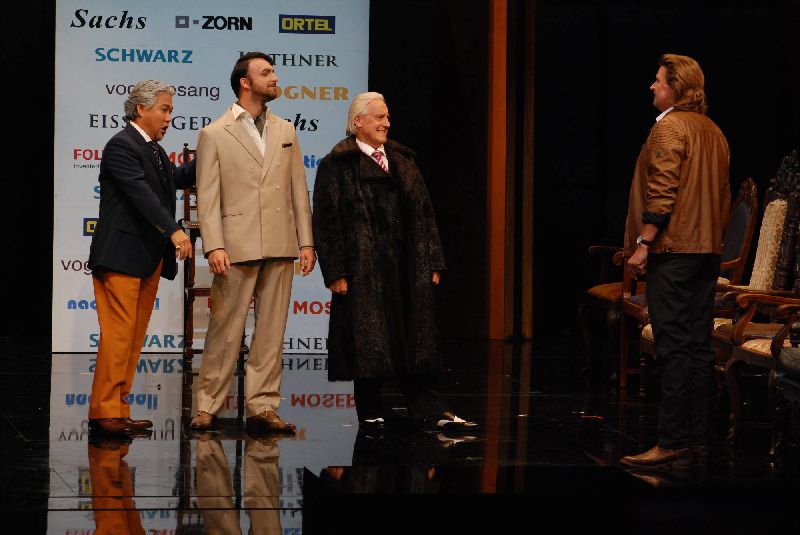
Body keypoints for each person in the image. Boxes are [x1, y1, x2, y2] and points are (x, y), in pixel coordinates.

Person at [312, 92, 477, 431]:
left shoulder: (403, 160)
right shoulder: (337, 164)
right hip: (363, 267)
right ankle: (371, 411)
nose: (387, 123)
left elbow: (425, 213)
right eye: (379, 117)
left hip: (407, 264)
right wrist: (336, 271)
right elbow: (327, 222)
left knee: (415, 339)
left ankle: (430, 409)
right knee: (367, 340)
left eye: (387, 117)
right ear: (358, 121)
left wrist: (433, 260)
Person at [191, 52, 315, 433]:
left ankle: (263, 406)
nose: (275, 77)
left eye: (273, 71)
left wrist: (306, 242)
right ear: (245, 82)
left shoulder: (286, 130)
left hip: (280, 241)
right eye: (266, 72)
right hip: (236, 244)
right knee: (225, 330)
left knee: (271, 331)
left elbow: (298, 190)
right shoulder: (215, 133)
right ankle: (207, 404)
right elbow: (208, 196)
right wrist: (214, 245)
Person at [619, 54, 730, 471]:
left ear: (676, 88)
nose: (652, 86)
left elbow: (662, 190)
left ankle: (671, 443)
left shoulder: (669, 126)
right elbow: (721, 196)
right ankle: (696, 440)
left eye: (658, 80)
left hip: (674, 251)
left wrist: (644, 243)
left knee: (673, 347)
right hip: (706, 252)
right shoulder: (715, 131)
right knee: (699, 346)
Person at [88, 80, 196, 435]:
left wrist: (209, 156)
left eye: (170, 111)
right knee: (118, 336)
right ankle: (104, 411)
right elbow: (141, 195)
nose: (169, 118)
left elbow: (174, 179)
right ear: (141, 109)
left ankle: (118, 409)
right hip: (121, 256)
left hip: (146, 258)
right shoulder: (122, 145)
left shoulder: (154, 150)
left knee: (132, 338)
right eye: (164, 110)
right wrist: (174, 231)